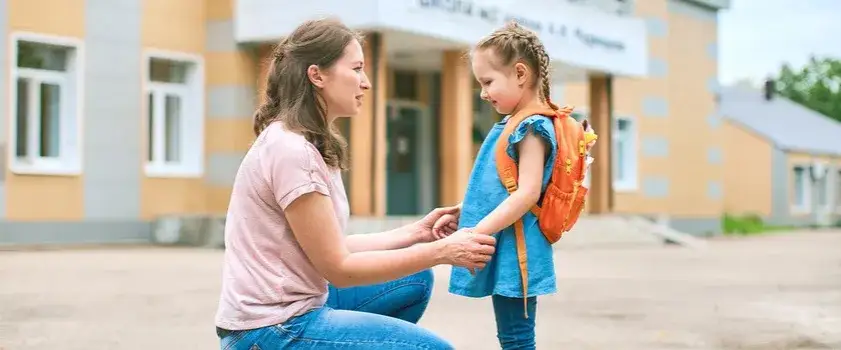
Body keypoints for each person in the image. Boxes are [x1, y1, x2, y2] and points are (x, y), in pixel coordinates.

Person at [214, 18, 497, 350]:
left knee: (414, 281)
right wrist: (440, 252)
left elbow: (335, 246)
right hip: (272, 329)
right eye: (357, 69)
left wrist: (416, 233)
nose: (366, 83)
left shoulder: (307, 144)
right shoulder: (292, 152)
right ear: (317, 75)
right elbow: (340, 269)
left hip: (291, 311)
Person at [444, 21, 595, 349]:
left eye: (488, 81)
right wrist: (464, 211)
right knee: (513, 335)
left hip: (519, 247)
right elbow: (502, 186)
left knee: (516, 338)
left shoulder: (531, 127)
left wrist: (476, 232)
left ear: (521, 74)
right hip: (510, 241)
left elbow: (527, 193)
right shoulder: (516, 122)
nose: (483, 93)